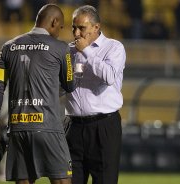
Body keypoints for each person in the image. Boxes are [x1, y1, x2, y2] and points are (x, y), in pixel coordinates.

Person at [0, 4, 76, 184]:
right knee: (63, 180)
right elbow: (70, 85)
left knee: (23, 181)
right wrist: (77, 70)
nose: (60, 31)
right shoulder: (60, 48)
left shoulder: (8, 47)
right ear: (55, 22)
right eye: (61, 26)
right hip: (48, 126)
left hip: (17, 127)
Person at [65, 5, 126, 184]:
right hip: (73, 127)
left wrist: (87, 51)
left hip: (104, 126)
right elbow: (61, 87)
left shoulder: (114, 48)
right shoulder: (68, 52)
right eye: (73, 28)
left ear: (96, 27)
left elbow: (108, 77)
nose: (76, 33)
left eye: (81, 28)